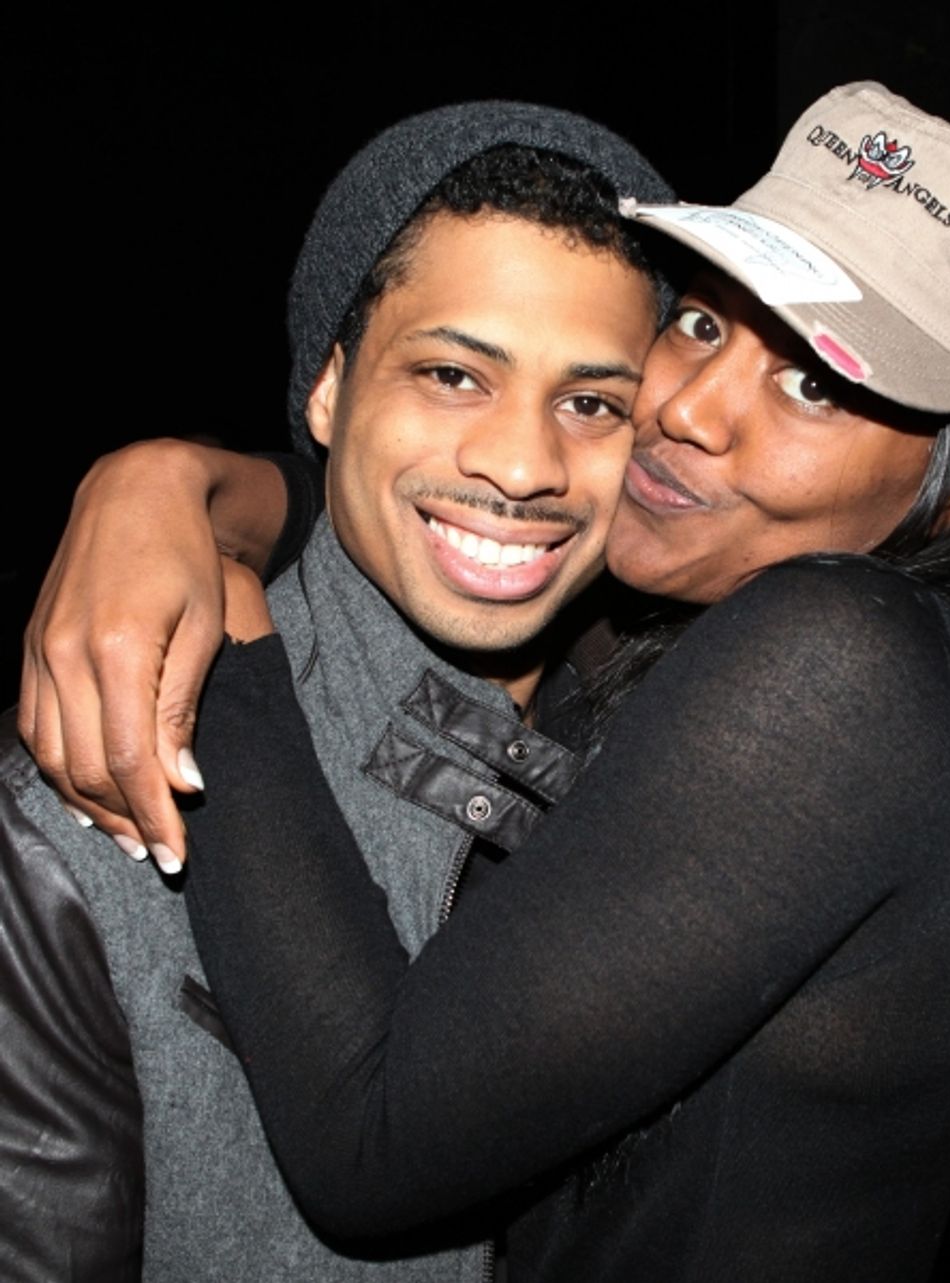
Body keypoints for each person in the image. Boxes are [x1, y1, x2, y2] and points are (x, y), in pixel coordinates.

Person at [6, 88, 950, 1278]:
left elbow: (380, 1144)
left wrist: (229, 637)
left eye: (816, 381)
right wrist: (180, 485)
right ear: (330, 390)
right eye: (706, 324)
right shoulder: (648, 665)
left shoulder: (837, 656)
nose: (688, 411)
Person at [0, 100, 678, 1282]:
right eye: (454, 373)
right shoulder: (107, 765)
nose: (521, 463)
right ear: (327, 393)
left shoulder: (695, 760)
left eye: (591, 402)